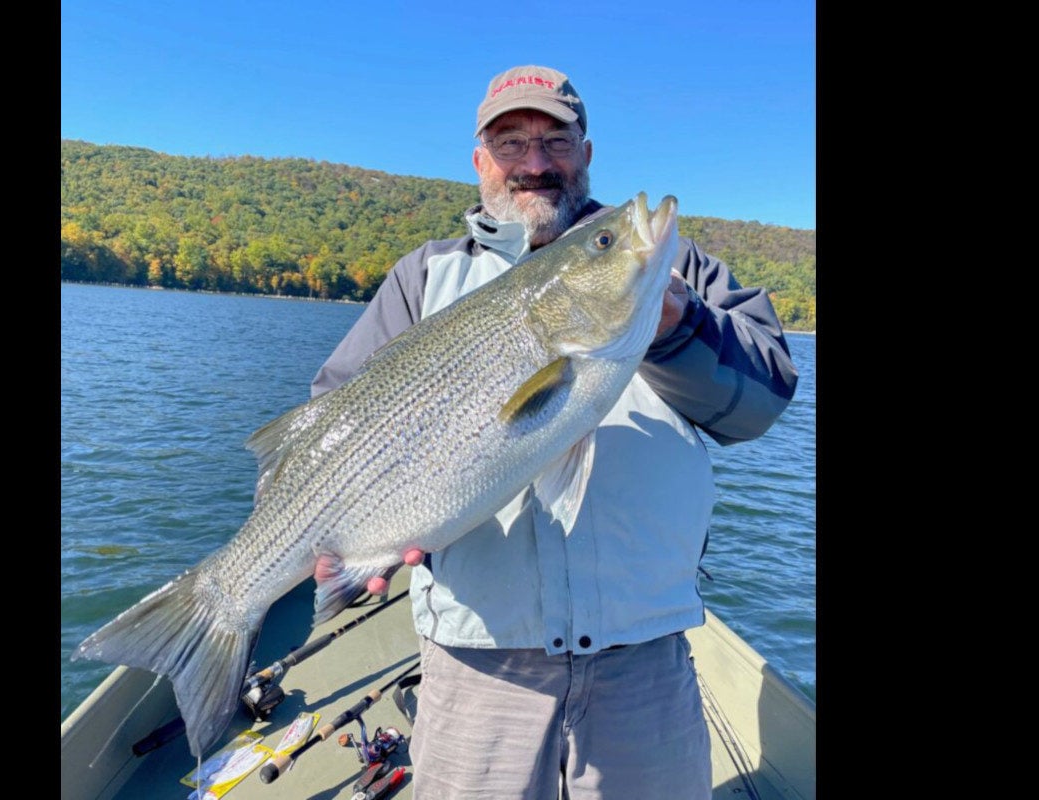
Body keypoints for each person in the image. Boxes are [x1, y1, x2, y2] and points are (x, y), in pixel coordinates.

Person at [310, 65, 798, 800]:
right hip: (478, 668)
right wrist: (345, 536)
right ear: (481, 163)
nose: (535, 164)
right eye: (511, 143)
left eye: (554, 140)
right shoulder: (423, 277)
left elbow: (762, 400)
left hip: (645, 665)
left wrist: (678, 323)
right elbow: (334, 417)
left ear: (587, 151)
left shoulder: (672, 266)